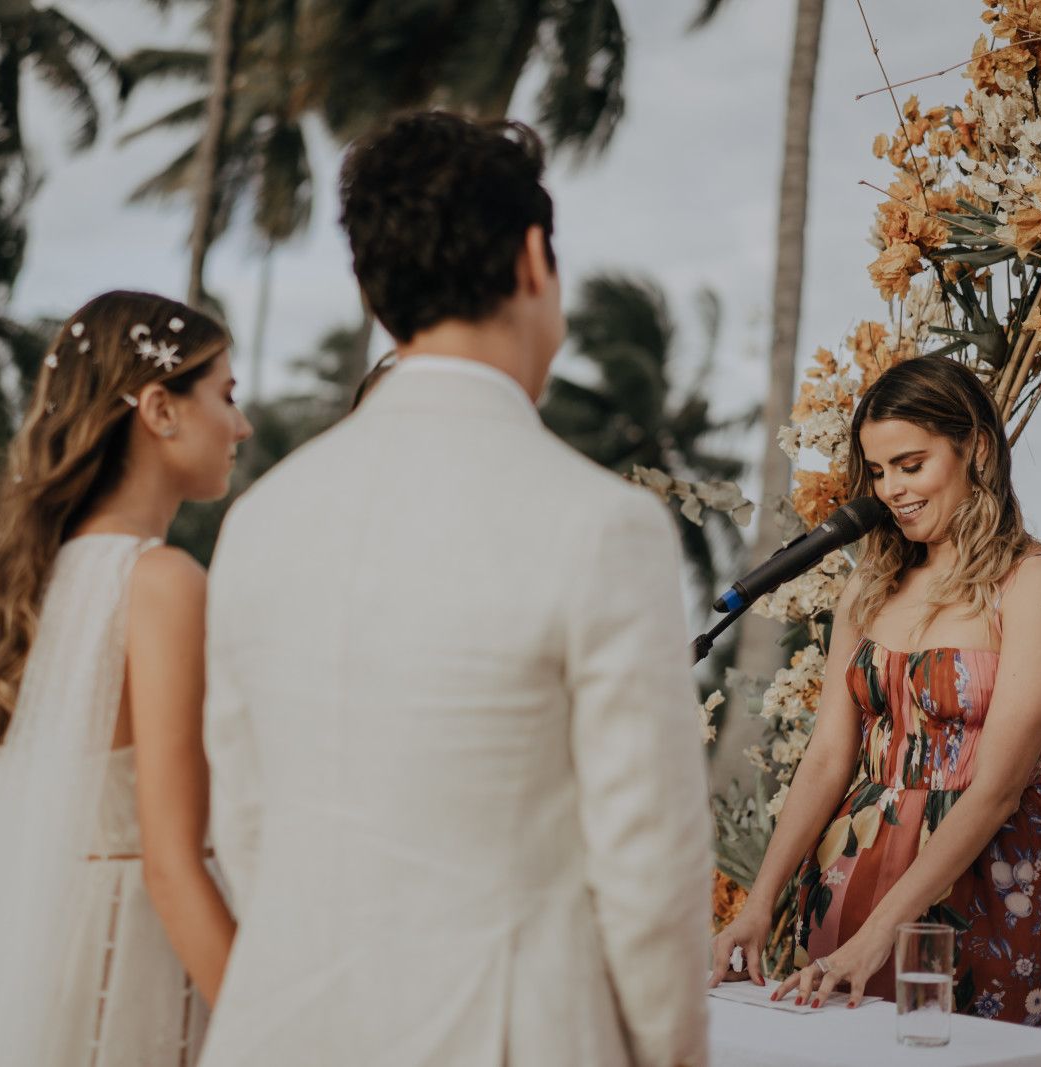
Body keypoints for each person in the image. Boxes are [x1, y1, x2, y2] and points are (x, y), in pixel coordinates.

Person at [200, 111, 712, 1067]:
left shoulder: (259, 521)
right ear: (532, 259)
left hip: (288, 1021)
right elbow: (649, 870)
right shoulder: (601, 525)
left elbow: (249, 822)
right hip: (511, 1029)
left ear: (377, 285)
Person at [0, 291, 253, 1066]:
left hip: (42, 967)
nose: (240, 424)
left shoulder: (32, 581)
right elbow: (172, 867)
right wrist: (276, 1027)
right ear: (159, 408)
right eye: (226, 395)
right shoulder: (161, 582)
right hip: (135, 968)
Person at [709, 355, 1041, 1030]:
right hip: (853, 862)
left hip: (992, 884)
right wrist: (759, 903)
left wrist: (883, 930)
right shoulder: (871, 583)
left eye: (911, 465)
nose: (890, 489)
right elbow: (828, 756)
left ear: (975, 447)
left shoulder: (1039, 586)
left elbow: (998, 787)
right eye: (878, 471)